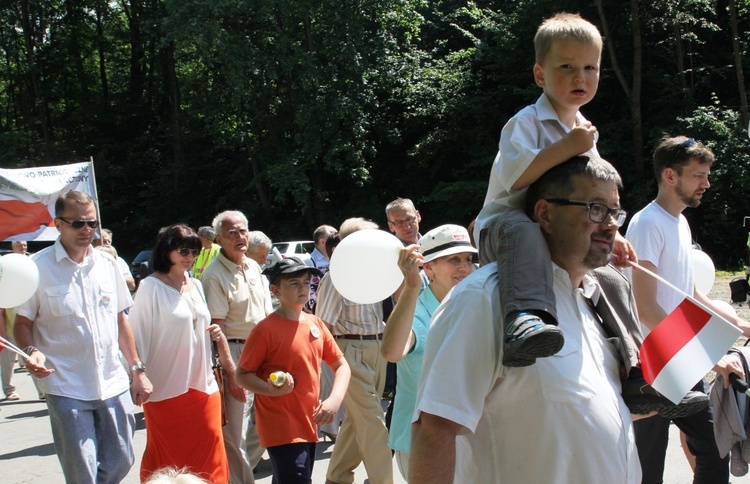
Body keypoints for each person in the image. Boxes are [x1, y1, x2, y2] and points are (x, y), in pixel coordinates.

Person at [411, 155, 642, 483]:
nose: (611, 224)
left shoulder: (595, 301)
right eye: (595, 208)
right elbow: (434, 428)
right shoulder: (485, 298)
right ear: (545, 213)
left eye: (615, 211)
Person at [474, 13, 616, 367]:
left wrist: (610, 226)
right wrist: (570, 146)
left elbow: (594, 192)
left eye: (590, 68)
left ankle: (636, 360)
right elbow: (518, 177)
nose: (580, 77)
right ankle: (523, 321)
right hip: (506, 227)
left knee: (611, 269)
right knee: (525, 230)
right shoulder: (524, 123)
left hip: (557, 229)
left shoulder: (585, 131)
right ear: (541, 75)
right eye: (566, 66)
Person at [626, 136, 750, 483]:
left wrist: (742, 325)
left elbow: (690, 293)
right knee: (648, 464)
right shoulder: (647, 224)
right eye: (698, 175)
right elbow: (645, 307)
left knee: (713, 448)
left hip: (679, 357)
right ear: (670, 175)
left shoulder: (678, 222)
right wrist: (709, 356)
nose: (707, 183)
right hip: (650, 364)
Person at [14, 190, 152, 483]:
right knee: (82, 471)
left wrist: (137, 370)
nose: (87, 230)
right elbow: (22, 322)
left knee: (122, 459)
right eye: (78, 224)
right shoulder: (38, 268)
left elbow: (120, 320)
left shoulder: (108, 265)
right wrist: (30, 350)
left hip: (111, 380)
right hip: (65, 385)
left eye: (92, 223)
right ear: (58, 224)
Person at [130, 224, 234, 483]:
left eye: (195, 251)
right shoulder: (150, 287)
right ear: (167, 251)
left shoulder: (196, 284)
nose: (190, 256)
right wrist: (138, 376)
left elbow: (198, 321)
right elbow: (136, 335)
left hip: (203, 382)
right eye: (184, 250)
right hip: (166, 385)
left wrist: (211, 332)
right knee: (169, 457)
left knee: (211, 448)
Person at [236, 256, 351, 483]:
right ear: (275, 291)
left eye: (306, 282)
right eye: (294, 283)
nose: (303, 288)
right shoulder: (265, 330)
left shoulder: (315, 323)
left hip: (309, 423)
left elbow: (341, 365)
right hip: (281, 427)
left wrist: (334, 400)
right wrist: (270, 390)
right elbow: (242, 375)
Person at [381, 224, 477, 480]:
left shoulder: (476, 304)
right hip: (422, 439)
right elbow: (392, 351)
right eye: (453, 260)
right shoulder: (417, 309)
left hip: (470, 434)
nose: (464, 267)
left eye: (468, 259)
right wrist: (411, 287)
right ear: (429, 268)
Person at [317, 217, 393, 484]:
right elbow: (323, 326)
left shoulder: (374, 275)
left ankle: (337, 478)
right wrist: (330, 366)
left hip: (376, 348)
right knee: (374, 424)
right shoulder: (335, 277)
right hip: (349, 351)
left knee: (356, 422)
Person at [202, 210, 272, 484]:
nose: (240, 237)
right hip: (235, 354)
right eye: (232, 232)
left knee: (267, 422)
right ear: (219, 238)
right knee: (237, 432)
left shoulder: (252, 265)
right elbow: (216, 329)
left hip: (263, 351)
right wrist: (231, 372)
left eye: (243, 231)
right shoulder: (214, 275)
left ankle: (240, 476)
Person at [0, 240, 28, 401]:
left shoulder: (32, 261)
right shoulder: (5, 265)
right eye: (19, 244)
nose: (23, 247)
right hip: (9, 321)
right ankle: (9, 390)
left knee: (33, 355)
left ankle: (42, 391)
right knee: (8, 359)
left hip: (28, 319)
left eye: (24, 244)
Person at [305, 224, 337, 314]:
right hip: (318, 311)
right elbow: (308, 291)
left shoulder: (338, 259)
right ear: (322, 242)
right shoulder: (309, 262)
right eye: (333, 237)